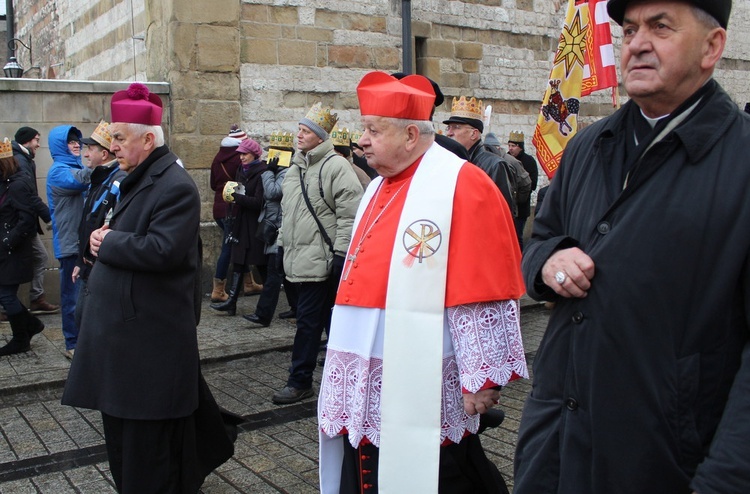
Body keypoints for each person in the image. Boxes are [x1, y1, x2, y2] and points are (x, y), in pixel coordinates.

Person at [514, 1, 750, 493]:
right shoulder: (587, 144)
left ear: (712, 46)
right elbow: (540, 240)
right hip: (556, 447)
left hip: (663, 463)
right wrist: (548, 262)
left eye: (660, 27)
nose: (637, 43)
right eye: (628, 30)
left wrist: (724, 481)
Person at [318, 71, 527, 493]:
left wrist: (482, 377)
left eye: (373, 130)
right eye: (364, 129)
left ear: (411, 134)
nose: (362, 140)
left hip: (424, 374)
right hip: (366, 362)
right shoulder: (377, 187)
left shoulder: (462, 185)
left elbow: (483, 288)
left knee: (440, 473)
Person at [61, 83, 236, 493]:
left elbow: (164, 251)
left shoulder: (172, 185)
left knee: (149, 456)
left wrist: (110, 242)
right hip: (127, 346)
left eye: (119, 138)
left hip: (146, 347)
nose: (113, 146)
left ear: (147, 138)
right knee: (126, 447)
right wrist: (101, 238)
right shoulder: (138, 177)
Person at [271, 102, 362, 405]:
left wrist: (340, 255)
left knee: (308, 325)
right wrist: (280, 244)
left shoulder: (336, 166)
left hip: (322, 261)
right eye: (299, 129)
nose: (299, 135)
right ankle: (352, 376)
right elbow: (289, 213)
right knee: (328, 324)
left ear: (321, 137)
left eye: (306, 131)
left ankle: (300, 381)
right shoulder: (295, 168)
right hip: (296, 260)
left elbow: (350, 214)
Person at [71, 120, 126, 329]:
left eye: (90, 149)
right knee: (83, 321)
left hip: (99, 265)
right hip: (89, 263)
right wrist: (79, 259)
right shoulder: (99, 178)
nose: (85, 154)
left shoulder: (117, 180)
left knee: (89, 323)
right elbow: (88, 222)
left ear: (104, 154)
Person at [46, 125, 91, 359]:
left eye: (78, 142)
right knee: (71, 298)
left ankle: (85, 340)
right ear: (59, 146)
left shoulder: (78, 167)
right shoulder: (58, 171)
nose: (76, 145)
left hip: (83, 243)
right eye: (70, 142)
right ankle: (72, 343)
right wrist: (105, 160)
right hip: (69, 245)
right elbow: (81, 181)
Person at [210, 137, 267, 316]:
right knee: (238, 260)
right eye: (240, 154)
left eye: (245, 154)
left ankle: (275, 304)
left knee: (262, 265)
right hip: (240, 222)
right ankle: (232, 302)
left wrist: (236, 198)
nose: (241, 157)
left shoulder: (262, 172)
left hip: (256, 225)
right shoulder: (242, 171)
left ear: (254, 155)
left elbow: (258, 202)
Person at [0, 138, 46, 356]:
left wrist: (9, 241)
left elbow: (26, 218)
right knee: (4, 294)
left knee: (6, 295)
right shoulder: (6, 182)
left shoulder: (17, 184)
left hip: (13, 251)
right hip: (6, 249)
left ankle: (21, 339)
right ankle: (31, 326)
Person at [10, 127, 59, 316]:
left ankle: (33, 298)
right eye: (36, 140)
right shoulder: (21, 161)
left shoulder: (22, 158)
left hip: (20, 222)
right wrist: (49, 216)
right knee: (37, 258)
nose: (39, 144)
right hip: (21, 222)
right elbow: (30, 195)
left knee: (34, 258)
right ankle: (29, 299)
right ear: (27, 140)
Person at [442, 97, 516, 216]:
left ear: (474, 134)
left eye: (456, 127)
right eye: (448, 127)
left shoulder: (495, 165)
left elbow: (502, 213)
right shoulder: (451, 161)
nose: (449, 133)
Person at [243, 153, 288, 327]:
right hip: (274, 226)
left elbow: (272, 192)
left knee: (274, 273)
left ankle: (263, 314)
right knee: (281, 274)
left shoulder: (285, 172)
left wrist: (268, 172)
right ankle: (296, 308)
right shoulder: (279, 172)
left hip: (279, 228)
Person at [208, 125, 247, 303]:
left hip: (218, 208)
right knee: (229, 246)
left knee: (235, 243)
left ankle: (249, 282)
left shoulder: (217, 158)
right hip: (232, 208)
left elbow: (212, 184)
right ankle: (218, 289)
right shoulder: (239, 159)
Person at [506, 131, 539, 249]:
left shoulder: (529, 161)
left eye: (513, 146)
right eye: (509, 145)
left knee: (518, 236)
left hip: (521, 207)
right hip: (508, 206)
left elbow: (533, 184)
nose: (510, 149)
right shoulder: (505, 159)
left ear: (520, 147)